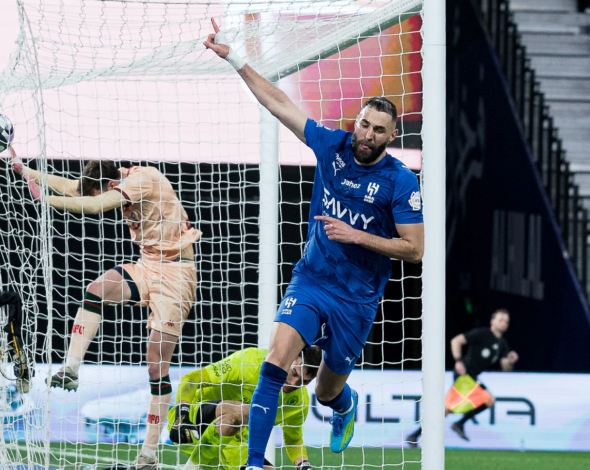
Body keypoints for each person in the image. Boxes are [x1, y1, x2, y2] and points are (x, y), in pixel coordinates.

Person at [203, 18, 425, 467]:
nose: (367, 135)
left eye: (378, 130)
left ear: (392, 136)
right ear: (356, 122)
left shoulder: (401, 181)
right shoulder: (332, 146)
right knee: (275, 364)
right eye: (364, 124)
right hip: (312, 280)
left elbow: (415, 249)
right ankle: (255, 462)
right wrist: (236, 59)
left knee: (324, 391)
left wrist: (357, 235)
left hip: (356, 298)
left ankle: (344, 404)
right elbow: (279, 103)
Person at [10, 147, 201, 470]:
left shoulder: (142, 180)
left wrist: (45, 200)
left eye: (101, 191)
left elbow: (94, 205)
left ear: (112, 185)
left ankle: (148, 454)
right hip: (148, 265)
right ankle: (71, 368)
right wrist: (26, 172)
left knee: (156, 365)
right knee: (96, 290)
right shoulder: (112, 181)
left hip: (177, 275)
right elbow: (75, 188)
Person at [161, 347, 319, 470]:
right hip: (192, 423)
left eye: (304, 382)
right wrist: (182, 414)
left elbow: (293, 439)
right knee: (246, 411)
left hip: (231, 444)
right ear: (288, 357)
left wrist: (304, 465)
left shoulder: (298, 402)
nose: (294, 384)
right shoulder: (251, 361)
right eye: (294, 373)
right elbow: (192, 378)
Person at [406, 309, 519, 446]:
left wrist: (510, 361)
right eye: (500, 320)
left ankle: (415, 435)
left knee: (449, 409)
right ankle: (458, 424)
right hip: (464, 373)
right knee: (488, 400)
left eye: (506, 321)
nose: (504, 323)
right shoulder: (482, 333)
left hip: (472, 376)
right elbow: (456, 341)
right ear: (492, 322)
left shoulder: (503, 344)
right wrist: (458, 361)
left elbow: (506, 368)